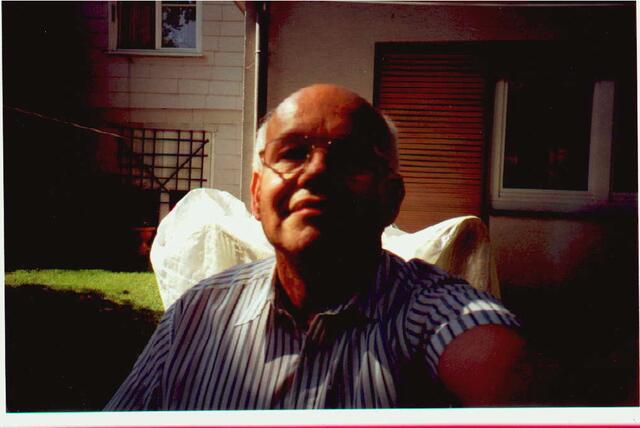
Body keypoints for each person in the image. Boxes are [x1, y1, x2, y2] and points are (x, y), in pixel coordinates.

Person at [105, 84, 529, 410]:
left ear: (391, 198)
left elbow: (502, 371)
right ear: (256, 195)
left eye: (352, 157)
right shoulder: (195, 316)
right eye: (292, 153)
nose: (317, 171)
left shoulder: (435, 314)